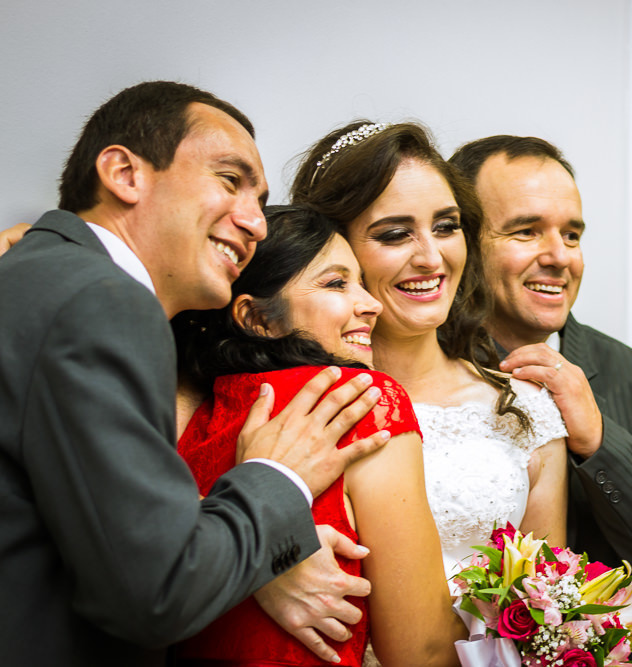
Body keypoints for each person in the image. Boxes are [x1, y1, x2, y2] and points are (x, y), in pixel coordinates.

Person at [0, 82, 386, 667]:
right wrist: (278, 476)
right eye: (230, 182)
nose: (255, 224)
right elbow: (155, 593)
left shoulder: (38, 275)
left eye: (259, 200)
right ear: (124, 173)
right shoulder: (102, 299)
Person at [449, 135, 632, 656]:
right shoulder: (414, 370)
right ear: (465, 243)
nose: (560, 257)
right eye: (526, 231)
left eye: (572, 234)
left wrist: (601, 442)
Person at [172, 205, 462, 667]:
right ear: (258, 319)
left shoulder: (199, 415)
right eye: (336, 283)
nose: (372, 305)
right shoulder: (359, 400)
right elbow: (420, 651)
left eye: (362, 283)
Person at [291, 123, 569, 588]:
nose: (432, 258)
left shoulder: (526, 408)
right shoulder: (289, 402)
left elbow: (550, 610)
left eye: (446, 227)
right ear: (334, 246)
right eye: (396, 234)